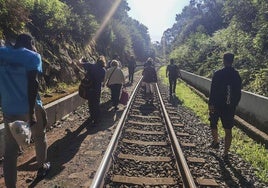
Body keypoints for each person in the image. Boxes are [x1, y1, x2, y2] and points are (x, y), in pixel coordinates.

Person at [0, 33, 50, 187]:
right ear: (30, 42)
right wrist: (31, 111)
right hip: (29, 106)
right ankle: (41, 167)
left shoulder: (2, 53)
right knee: (39, 137)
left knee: (10, 151)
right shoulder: (33, 56)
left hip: (8, 108)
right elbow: (33, 83)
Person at [208, 52, 242, 162]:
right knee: (228, 130)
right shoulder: (236, 75)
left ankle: (216, 142)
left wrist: (211, 104)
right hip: (229, 107)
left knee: (213, 123)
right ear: (232, 61)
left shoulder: (218, 74)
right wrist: (233, 105)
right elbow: (238, 92)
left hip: (217, 105)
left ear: (224, 60)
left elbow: (212, 91)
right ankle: (226, 153)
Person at [78, 56, 106, 125]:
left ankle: (92, 117)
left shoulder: (91, 65)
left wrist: (81, 58)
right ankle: (96, 120)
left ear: (97, 61)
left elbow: (79, 63)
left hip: (89, 88)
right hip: (97, 89)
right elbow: (102, 80)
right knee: (96, 104)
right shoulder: (103, 70)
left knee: (90, 103)